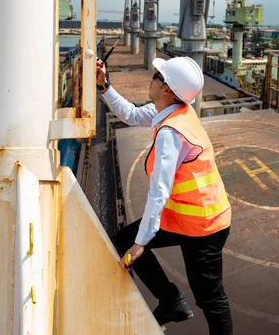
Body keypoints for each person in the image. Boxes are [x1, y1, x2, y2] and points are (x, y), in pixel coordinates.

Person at [96, 55, 233, 334]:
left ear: (167, 89)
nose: (152, 78)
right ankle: (171, 301)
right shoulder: (171, 111)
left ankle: (174, 302)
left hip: (204, 226)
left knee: (211, 299)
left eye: (157, 76)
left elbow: (159, 192)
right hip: (185, 217)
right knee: (125, 239)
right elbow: (132, 114)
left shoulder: (171, 132)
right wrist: (104, 85)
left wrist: (142, 242)